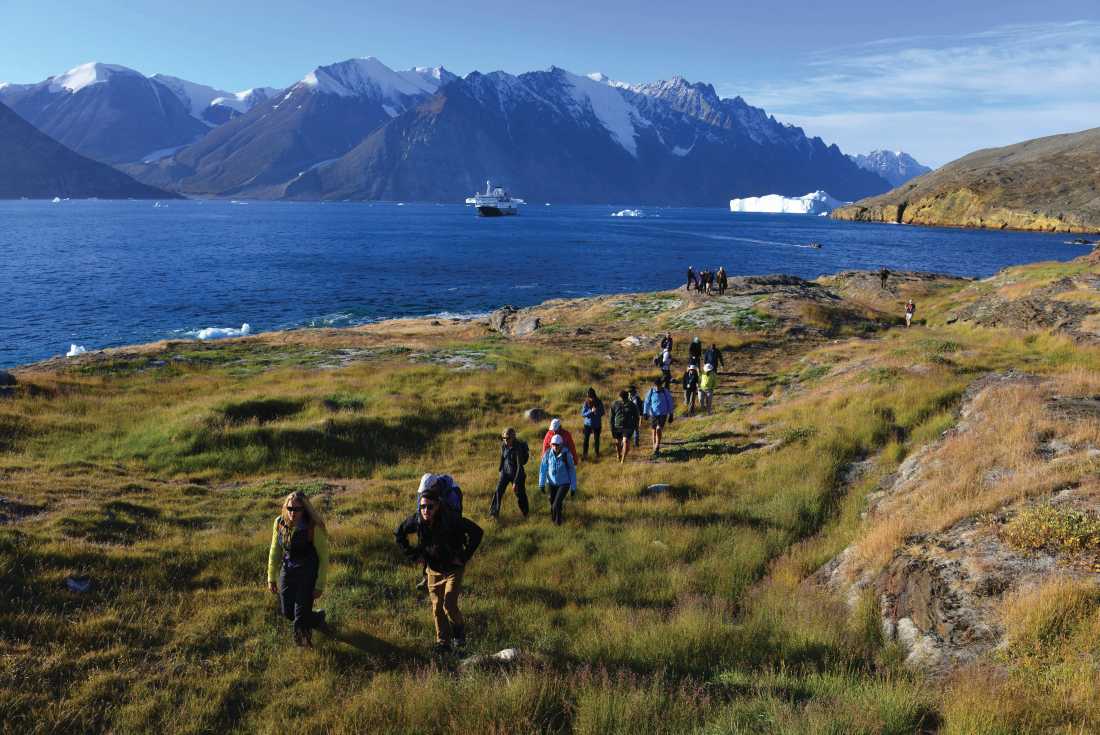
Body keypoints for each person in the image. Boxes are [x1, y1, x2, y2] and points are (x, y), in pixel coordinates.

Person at [395, 486, 484, 655]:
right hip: (433, 569)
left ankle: (459, 635)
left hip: (453, 568)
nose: (425, 510)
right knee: (437, 608)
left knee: (449, 604)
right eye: (422, 506)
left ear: (438, 506)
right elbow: (399, 534)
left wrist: (464, 557)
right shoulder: (417, 520)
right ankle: (443, 642)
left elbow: (477, 532)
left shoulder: (451, 520)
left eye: (430, 506)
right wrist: (414, 555)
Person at [267, 491, 330, 647]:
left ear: (305, 509)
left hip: (308, 572)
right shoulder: (279, 523)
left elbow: (324, 557)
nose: (292, 513)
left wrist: (319, 584)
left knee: (300, 616)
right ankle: (317, 618)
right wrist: (271, 577)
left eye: (297, 509)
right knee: (288, 612)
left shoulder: (312, 527)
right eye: (289, 508)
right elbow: (275, 550)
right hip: (288, 570)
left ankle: (304, 648)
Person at [539, 434, 578, 525]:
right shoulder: (548, 454)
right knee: (553, 503)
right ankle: (555, 521)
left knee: (556, 504)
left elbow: (572, 471)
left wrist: (573, 487)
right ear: (551, 445)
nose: (555, 447)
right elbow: (543, 469)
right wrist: (541, 483)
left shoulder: (566, 455)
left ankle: (558, 522)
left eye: (557, 445)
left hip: (564, 484)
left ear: (561, 445)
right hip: (551, 483)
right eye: (553, 444)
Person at [490, 428, 529, 519]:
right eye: (504, 438)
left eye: (507, 438)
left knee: (520, 495)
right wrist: (500, 470)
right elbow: (502, 458)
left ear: (513, 437)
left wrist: (515, 482)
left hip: (517, 474)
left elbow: (520, 466)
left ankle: (525, 513)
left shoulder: (518, 448)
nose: (505, 440)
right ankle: (493, 514)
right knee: (498, 491)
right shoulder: (504, 445)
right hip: (505, 472)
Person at [643, 376, 675, 455]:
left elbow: (670, 402)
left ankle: (657, 445)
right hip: (653, 414)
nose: (657, 387)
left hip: (663, 414)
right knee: (653, 430)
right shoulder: (651, 391)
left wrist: (671, 414)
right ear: (654, 385)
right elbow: (647, 402)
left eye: (659, 386)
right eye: (656, 386)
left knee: (658, 429)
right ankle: (654, 445)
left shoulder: (665, 391)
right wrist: (645, 412)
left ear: (661, 385)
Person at [610, 389, 640, 463]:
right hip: (617, 426)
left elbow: (636, 416)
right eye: (621, 397)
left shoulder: (632, 405)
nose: (621, 399)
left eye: (623, 397)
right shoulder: (614, 404)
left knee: (626, 441)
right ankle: (618, 454)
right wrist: (611, 427)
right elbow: (611, 417)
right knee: (618, 443)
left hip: (628, 427)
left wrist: (636, 427)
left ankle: (623, 460)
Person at [580, 387, 605, 460]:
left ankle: (597, 454)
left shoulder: (599, 402)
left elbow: (603, 412)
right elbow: (583, 414)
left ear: (593, 395)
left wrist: (596, 412)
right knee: (586, 440)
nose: (590, 398)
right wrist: (590, 411)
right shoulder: (586, 402)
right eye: (588, 397)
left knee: (597, 439)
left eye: (590, 396)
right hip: (588, 424)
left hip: (597, 424)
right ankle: (585, 455)